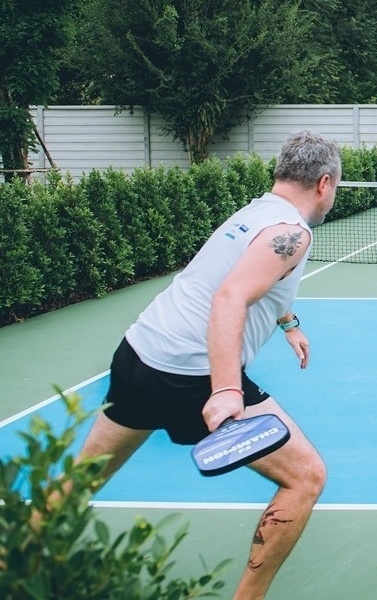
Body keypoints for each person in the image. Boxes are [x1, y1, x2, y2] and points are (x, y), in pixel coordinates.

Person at [75, 130, 341, 600]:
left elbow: (238, 276)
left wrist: (289, 323)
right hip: (192, 375)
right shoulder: (293, 233)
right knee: (306, 478)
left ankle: (17, 556)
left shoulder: (255, 212)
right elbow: (230, 296)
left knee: (81, 482)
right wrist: (225, 390)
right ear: (323, 183)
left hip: (138, 354)